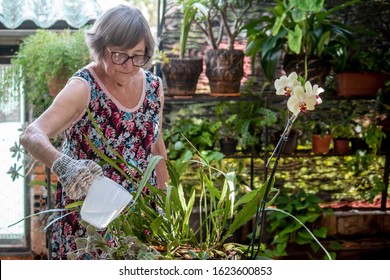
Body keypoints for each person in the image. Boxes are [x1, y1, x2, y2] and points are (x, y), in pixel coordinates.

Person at [19, 5, 169, 260]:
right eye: (120, 55)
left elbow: (156, 145)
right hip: (90, 217)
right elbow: (31, 134)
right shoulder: (83, 87)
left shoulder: (154, 87)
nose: (128, 65)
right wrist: (64, 166)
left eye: (137, 56)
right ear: (100, 47)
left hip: (140, 215)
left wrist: (167, 204)